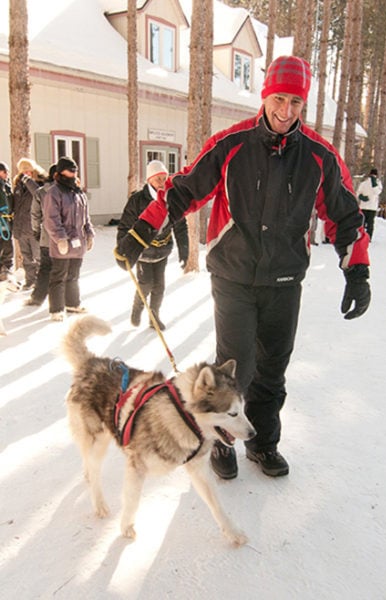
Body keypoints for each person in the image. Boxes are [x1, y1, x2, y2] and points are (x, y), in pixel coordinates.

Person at [115, 55, 371, 479]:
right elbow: (181, 192)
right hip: (233, 275)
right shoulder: (230, 145)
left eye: (295, 102)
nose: (286, 111)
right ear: (265, 95)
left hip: (285, 280)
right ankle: (219, 442)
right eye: (279, 99)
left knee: (273, 369)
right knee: (235, 368)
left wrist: (357, 271)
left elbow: (345, 217)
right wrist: (139, 235)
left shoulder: (319, 156)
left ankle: (263, 444)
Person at [117, 160, 189, 330]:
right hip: (143, 251)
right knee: (146, 283)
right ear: (149, 180)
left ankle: (154, 316)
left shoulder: (171, 198)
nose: (162, 183)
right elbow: (124, 225)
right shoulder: (137, 200)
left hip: (162, 250)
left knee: (159, 286)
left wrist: (184, 251)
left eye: (165, 178)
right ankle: (137, 309)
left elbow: (180, 226)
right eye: (158, 179)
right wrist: (122, 250)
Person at [43, 157, 94, 321]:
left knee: (73, 275)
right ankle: (56, 309)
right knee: (59, 276)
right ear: (60, 172)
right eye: (70, 170)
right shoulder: (54, 192)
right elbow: (51, 219)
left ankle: (72, 303)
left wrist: (90, 233)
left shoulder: (79, 193)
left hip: (78, 242)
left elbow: (86, 217)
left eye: (75, 170)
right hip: (62, 244)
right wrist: (60, 238)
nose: (73, 173)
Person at [12, 158, 47, 290]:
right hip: (21, 229)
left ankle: (42, 282)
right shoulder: (18, 186)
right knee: (26, 258)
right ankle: (30, 280)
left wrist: (29, 182)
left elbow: (39, 195)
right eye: (23, 172)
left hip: (35, 229)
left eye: (29, 171)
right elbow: (15, 207)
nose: (27, 174)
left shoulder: (39, 185)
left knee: (39, 257)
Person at [25, 164, 56, 307]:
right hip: (65, 239)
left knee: (45, 268)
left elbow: (35, 215)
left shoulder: (40, 192)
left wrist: (37, 231)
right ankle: (63, 300)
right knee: (64, 269)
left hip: (46, 237)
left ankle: (38, 297)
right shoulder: (71, 191)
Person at [356, 168, 383, 240]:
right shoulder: (364, 183)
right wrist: (361, 197)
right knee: (363, 223)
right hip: (365, 206)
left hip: (372, 206)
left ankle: (367, 237)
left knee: (369, 223)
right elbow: (358, 192)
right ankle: (362, 236)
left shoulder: (378, 183)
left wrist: (374, 183)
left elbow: (377, 192)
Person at [0, 162, 14, 281]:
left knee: (7, 245)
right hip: (2, 220)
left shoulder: (7, 186)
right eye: (5, 172)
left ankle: (6, 270)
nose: (7, 174)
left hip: (6, 221)